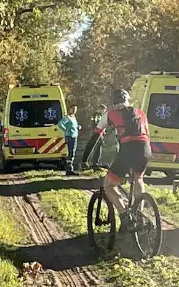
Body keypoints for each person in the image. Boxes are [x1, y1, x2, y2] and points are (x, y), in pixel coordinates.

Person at [81, 89, 151, 229]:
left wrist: (85, 159)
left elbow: (95, 137)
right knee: (138, 179)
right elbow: (146, 134)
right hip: (145, 149)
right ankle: (139, 215)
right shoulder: (140, 112)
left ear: (114, 102)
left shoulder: (110, 114)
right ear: (128, 101)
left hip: (128, 149)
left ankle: (125, 216)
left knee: (109, 184)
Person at [79, 104, 107, 170]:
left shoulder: (101, 115)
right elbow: (94, 124)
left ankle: (95, 163)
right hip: (96, 133)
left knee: (98, 148)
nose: (104, 112)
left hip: (100, 133)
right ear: (100, 109)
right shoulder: (95, 115)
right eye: (103, 110)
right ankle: (84, 162)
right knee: (91, 146)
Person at [56, 105, 80, 175]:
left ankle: (70, 168)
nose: (74, 110)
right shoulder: (67, 117)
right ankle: (69, 169)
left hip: (74, 136)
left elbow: (73, 126)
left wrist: (78, 127)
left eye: (76, 109)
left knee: (72, 152)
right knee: (71, 152)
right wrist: (66, 130)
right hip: (70, 136)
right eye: (73, 109)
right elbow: (60, 124)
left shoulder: (74, 117)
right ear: (70, 109)